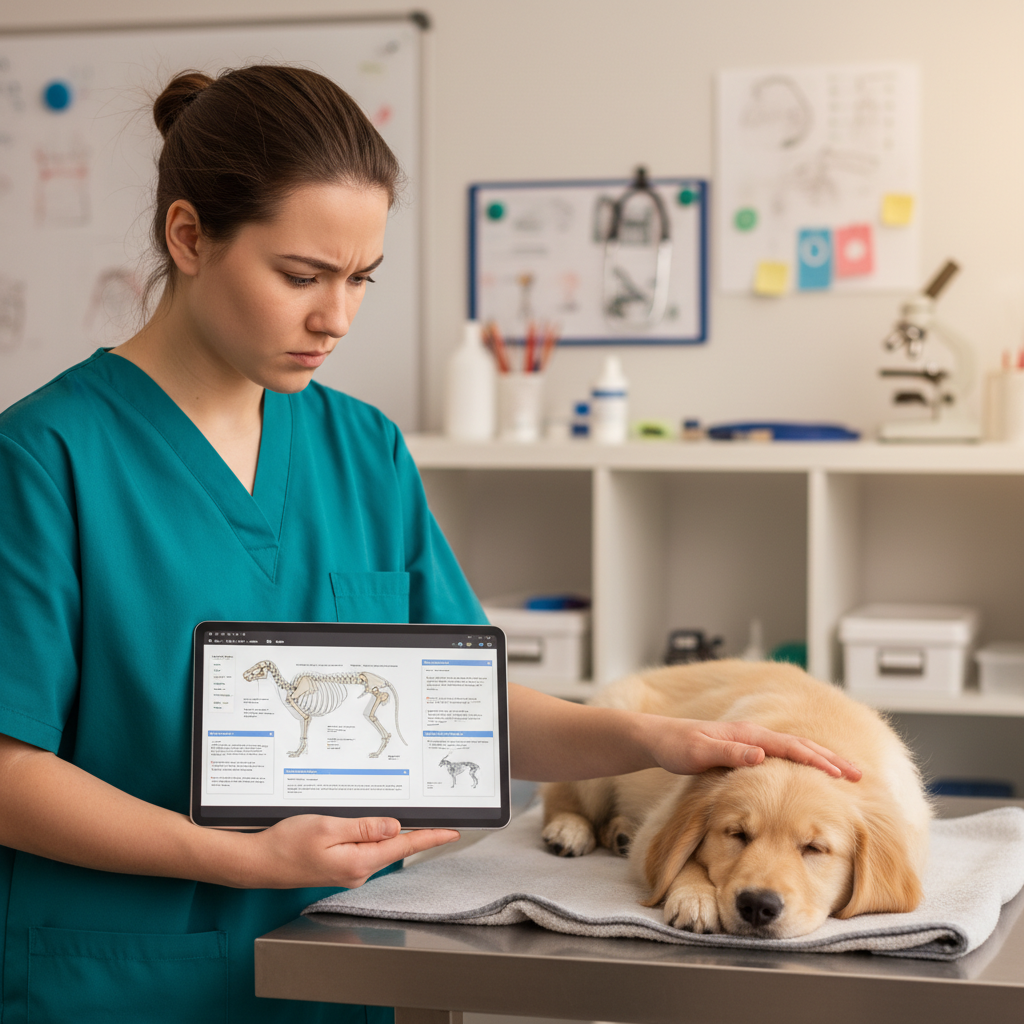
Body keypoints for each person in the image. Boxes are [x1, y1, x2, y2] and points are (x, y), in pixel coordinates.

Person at [0, 66, 859, 1024]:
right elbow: (9, 773)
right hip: (123, 980)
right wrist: (243, 860)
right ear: (190, 236)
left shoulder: (361, 448)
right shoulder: (44, 458)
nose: (337, 317)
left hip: (341, 971)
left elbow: (460, 708)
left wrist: (647, 738)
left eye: (360, 278)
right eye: (301, 276)